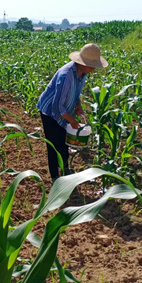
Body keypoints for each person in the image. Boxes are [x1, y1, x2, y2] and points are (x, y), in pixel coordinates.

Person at [36, 43, 108, 181]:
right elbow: (58, 106)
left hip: (63, 110)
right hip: (50, 111)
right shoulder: (66, 76)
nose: (94, 68)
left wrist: (78, 105)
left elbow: (75, 93)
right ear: (82, 63)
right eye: (91, 64)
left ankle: (65, 168)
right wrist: (72, 120)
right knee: (53, 144)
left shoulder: (82, 73)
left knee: (64, 141)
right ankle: (55, 176)